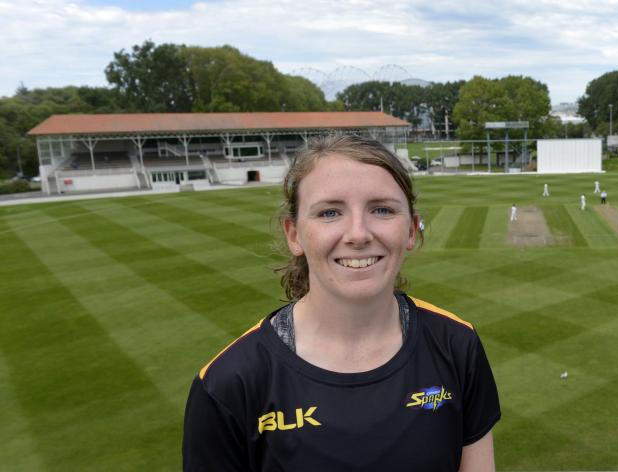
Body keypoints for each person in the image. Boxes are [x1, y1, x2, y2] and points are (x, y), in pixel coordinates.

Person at [183, 135, 500, 472]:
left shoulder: (456, 345)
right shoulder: (228, 385)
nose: (358, 234)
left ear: (411, 229)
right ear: (294, 234)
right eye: (330, 212)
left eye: (382, 209)